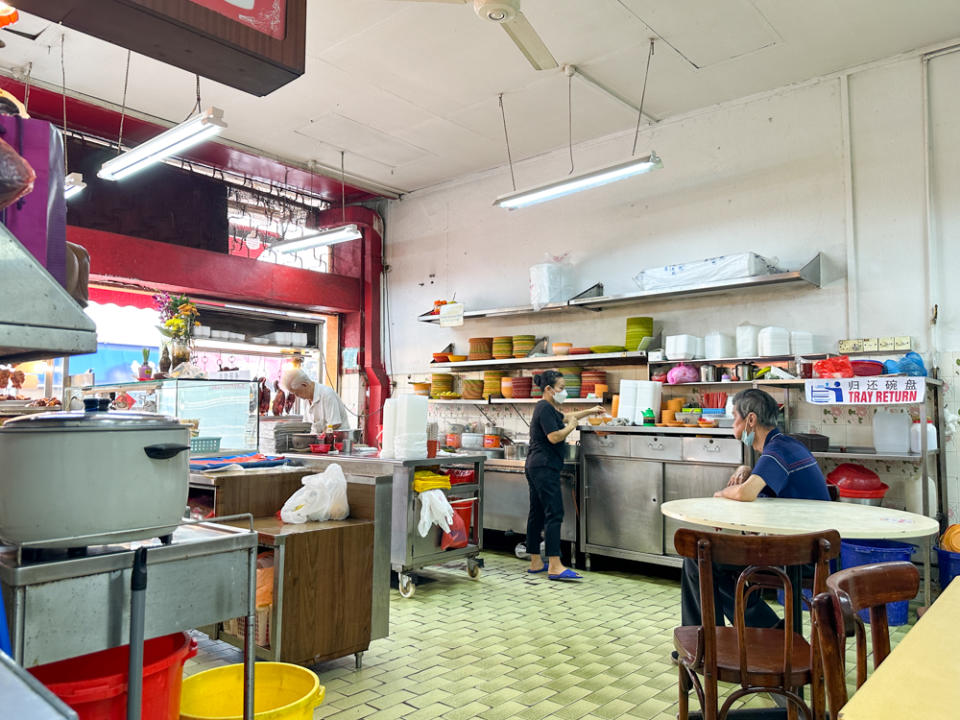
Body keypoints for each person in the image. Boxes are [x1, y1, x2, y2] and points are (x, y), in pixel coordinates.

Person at [679, 388, 830, 630]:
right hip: (812, 548)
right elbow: (762, 485)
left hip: (801, 555)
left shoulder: (778, 450)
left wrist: (721, 494)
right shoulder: (784, 445)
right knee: (714, 566)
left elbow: (745, 493)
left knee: (699, 559)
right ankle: (768, 629)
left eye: (734, 417)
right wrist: (745, 469)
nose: (732, 424)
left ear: (750, 420)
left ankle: (704, 643)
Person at [526, 370, 604, 581]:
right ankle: (555, 565)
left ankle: (535, 562)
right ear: (549, 389)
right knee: (554, 513)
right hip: (544, 466)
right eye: (561, 388)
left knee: (538, 513)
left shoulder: (548, 408)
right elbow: (554, 437)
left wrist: (591, 410)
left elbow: (569, 416)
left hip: (536, 465)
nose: (564, 392)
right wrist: (571, 427)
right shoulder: (544, 408)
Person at [281, 367, 350, 434]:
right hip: (319, 442)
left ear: (304, 385)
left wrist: (323, 436)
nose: (297, 396)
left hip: (338, 441)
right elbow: (308, 425)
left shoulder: (327, 394)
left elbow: (334, 424)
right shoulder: (306, 399)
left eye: (297, 393)